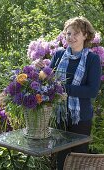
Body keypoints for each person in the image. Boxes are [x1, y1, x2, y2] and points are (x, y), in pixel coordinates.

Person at [35, 16, 101, 170]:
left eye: (75, 33)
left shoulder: (92, 59)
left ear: (85, 35)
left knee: (79, 160)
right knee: (61, 159)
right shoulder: (58, 55)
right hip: (59, 115)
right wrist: (39, 70)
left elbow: (92, 91)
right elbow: (47, 81)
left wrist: (64, 89)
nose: (71, 37)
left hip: (81, 118)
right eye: (68, 34)